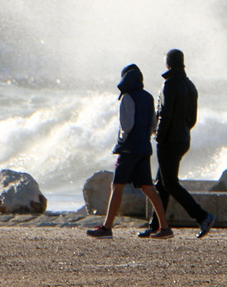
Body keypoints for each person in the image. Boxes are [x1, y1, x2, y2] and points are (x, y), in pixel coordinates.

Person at [87, 63, 172, 239]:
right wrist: (143, 138)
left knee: (117, 186)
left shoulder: (127, 97)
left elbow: (126, 125)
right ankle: (164, 227)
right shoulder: (148, 97)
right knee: (148, 188)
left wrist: (121, 142)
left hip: (128, 149)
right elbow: (153, 125)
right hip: (144, 148)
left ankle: (107, 227)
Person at [140, 48, 215, 239]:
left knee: (170, 184)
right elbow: (192, 119)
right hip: (183, 139)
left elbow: (165, 115)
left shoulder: (169, 84)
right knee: (162, 184)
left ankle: (202, 216)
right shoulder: (190, 85)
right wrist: (181, 131)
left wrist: (160, 137)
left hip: (169, 140)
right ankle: (157, 226)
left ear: (168, 64)